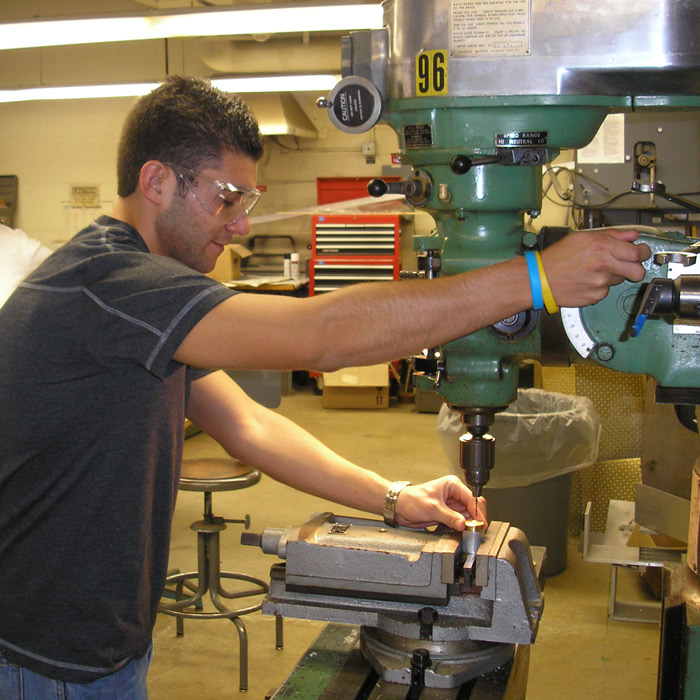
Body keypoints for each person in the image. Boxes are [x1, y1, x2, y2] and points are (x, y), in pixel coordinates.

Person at [0, 75, 650, 699]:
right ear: (156, 181)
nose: (240, 225)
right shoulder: (111, 281)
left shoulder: (129, 300)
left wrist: (394, 498)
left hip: (99, 648)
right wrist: (532, 279)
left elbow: (249, 426)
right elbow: (326, 335)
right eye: (227, 198)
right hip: (44, 660)